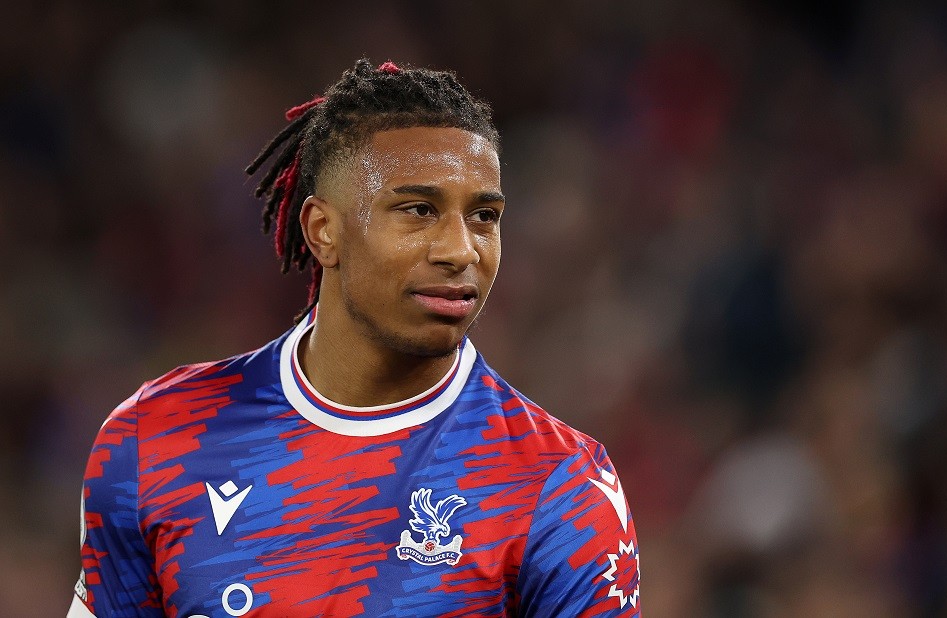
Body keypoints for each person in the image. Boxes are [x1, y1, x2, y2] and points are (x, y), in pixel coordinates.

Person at [68, 59, 640, 617]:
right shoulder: (158, 435)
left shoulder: (557, 486)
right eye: (419, 210)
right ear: (323, 230)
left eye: (484, 217)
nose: (461, 250)